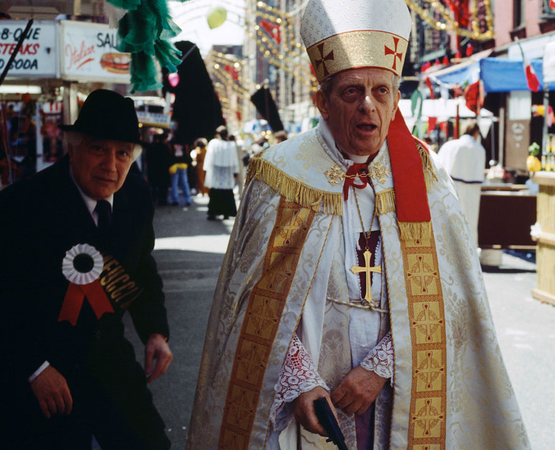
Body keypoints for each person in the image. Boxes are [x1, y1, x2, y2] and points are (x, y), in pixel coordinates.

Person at [187, 0, 529, 449]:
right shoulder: (280, 174)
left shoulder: (425, 177)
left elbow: (453, 295)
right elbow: (253, 305)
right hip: (306, 401)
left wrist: (381, 367)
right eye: (351, 92)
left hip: (395, 395)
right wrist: (299, 382)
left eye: (381, 91)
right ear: (321, 102)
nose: (368, 105)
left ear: (395, 102)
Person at [0, 89, 173, 450]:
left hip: (106, 361)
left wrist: (154, 330)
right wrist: (35, 367)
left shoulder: (135, 197)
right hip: (32, 374)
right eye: (98, 149)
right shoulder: (16, 209)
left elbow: (139, 267)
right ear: (71, 147)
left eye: (123, 153)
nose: (111, 164)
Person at [436, 120, 486, 248]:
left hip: (450, 189)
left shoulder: (449, 146)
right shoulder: (479, 149)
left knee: (450, 223)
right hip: (472, 191)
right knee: (469, 223)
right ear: (476, 132)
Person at [203, 125, 239, 220]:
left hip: (216, 171)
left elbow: (209, 157)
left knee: (215, 192)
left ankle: (213, 212)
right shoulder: (231, 144)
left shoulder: (214, 143)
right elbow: (235, 160)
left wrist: (206, 168)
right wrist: (235, 171)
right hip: (227, 171)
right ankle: (226, 212)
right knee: (227, 192)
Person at [169, 142, 192, 206]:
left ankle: (175, 200)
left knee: (174, 183)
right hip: (182, 165)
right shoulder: (185, 145)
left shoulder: (172, 145)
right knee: (184, 182)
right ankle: (188, 199)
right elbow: (188, 155)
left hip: (175, 165)